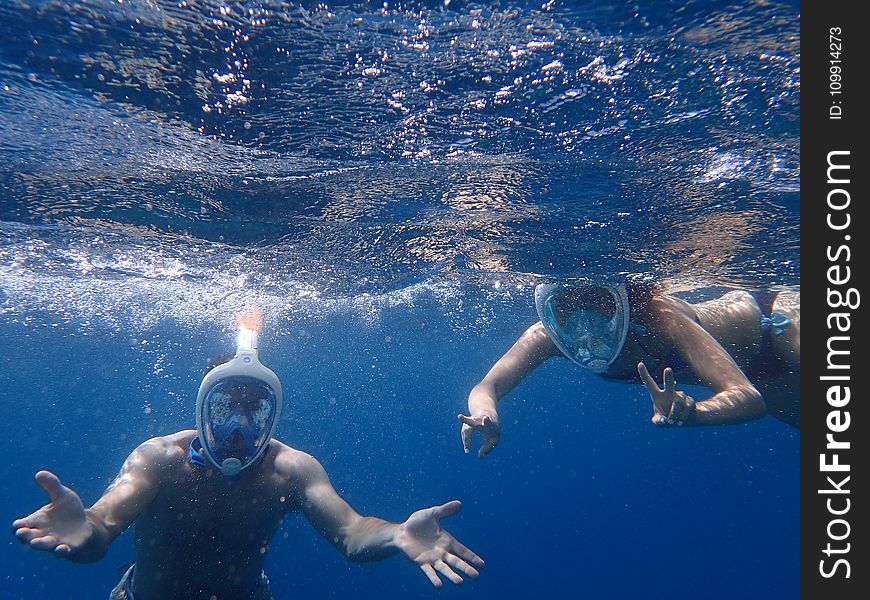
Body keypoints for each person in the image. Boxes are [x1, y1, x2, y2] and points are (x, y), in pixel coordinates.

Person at [14, 313, 484, 599]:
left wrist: (397, 534)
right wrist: (85, 531)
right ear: (201, 410)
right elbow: (100, 528)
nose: (238, 431)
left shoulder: (290, 472)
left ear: (272, 415)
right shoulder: (159, 460)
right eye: (224, 409)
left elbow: (353, 532)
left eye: (253, 410)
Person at [459, 280, 800, 458]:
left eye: (595, 304)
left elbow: (745, 397)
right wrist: (486, 415)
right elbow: (487, 387)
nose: (586, 329)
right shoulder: (547, 336)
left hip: (781, 326)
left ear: (622, 300)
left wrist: (695, 412)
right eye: (566, 310)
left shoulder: (662, 318)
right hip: (765, 375)